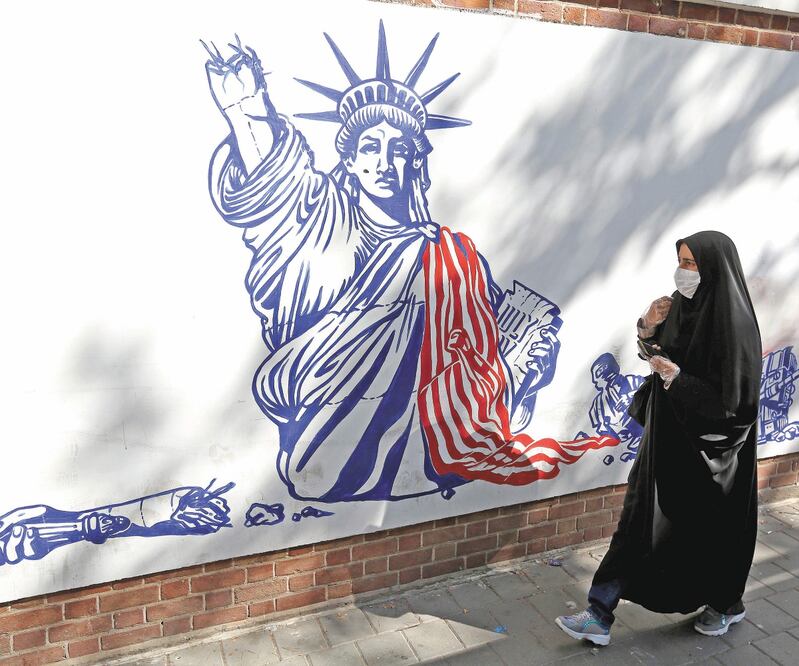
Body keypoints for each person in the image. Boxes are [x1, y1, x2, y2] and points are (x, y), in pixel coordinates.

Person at [203, 27, 614, 504]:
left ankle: (427, 454)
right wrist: (246, 110)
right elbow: (276, 186)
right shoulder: (320, 217)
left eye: (398, 150)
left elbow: (480, 351)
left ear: (415, 162)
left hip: (438, 433)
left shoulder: (452, 252)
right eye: (371, 148)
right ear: (350, 159)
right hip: (324, 425)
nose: (385, 162)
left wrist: (523, 362)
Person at [556, 231, 762, 645]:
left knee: (712, 535)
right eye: (681, 261)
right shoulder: (681, 305)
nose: (683, 272)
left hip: (712, 456)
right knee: (636, 521)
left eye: (692, 264)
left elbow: (735, 404)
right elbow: (658, 359)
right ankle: (599, 613)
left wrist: (680, 380)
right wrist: (647, 329)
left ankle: (726, 603)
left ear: (713, 269)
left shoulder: (735, 325)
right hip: (666, 440)